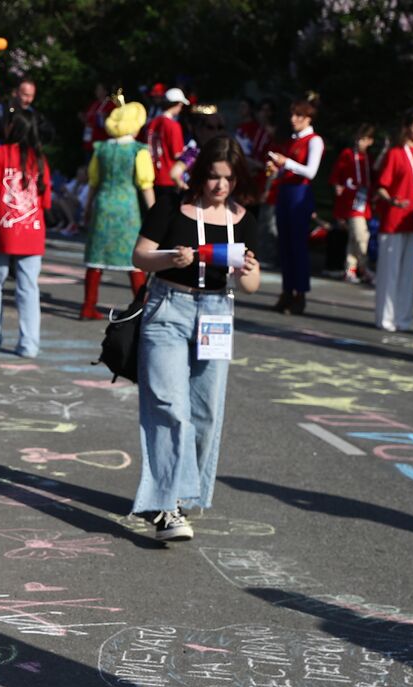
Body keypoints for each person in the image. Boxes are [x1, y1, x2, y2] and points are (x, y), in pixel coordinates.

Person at [130, 137, 261, 541]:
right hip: (168, 308)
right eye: (213, 177)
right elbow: (139, 256)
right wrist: (170, 257)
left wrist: (248, 270)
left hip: (217, 313)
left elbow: (253, 284)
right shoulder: (170, 205)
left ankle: (184, 495)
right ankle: (165, 507)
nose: (220, 186)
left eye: (227, 178)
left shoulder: (244, 218)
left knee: (205, 414)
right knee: (170, 407)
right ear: (200, 173)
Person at [0, 107, 52, 357]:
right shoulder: (39, 158)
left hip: (3, 230)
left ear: (13, 127)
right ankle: (29, 344)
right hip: (32, 231)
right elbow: (47, 200)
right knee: (28, 287)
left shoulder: (0, 154)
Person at [81, 99, 154, 320]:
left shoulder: (101, 148)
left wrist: (87, 207)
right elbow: (145, 183)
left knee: (96, 257)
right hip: (127, 207)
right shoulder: (138, 151)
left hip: (103, 203)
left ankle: (88, 306)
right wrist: (154, 212)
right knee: (134, 257)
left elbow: (93, 181)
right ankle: (141, 306)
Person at [372, 107, 413, 332]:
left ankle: (403, 317)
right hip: (395, 218)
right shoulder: (396, 153)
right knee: (389, 270)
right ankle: (385, 317)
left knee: (409, 271)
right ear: (407, 127)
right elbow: (382, 186)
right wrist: (392, 201)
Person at [266, 98, 324, 315]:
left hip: (300, 195)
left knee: (298, 246)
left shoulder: (314, 140)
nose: (293, 119)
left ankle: (300, 294)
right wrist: (277, 167)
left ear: (308, 118)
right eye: (293, 115)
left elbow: (311, 171)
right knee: (285, 245)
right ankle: (287, 291)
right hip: (286, 192)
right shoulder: (292, 139)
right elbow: (289, 169)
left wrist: (286, 163)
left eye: (298, 115)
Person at [330, 124, 376, 284]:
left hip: (363, 202)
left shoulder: (368, 159)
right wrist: (337, 186)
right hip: (351, 202)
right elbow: (337, 174)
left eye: (363, 139)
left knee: (354, 237)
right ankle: (364, 267)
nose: (359, 142)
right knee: (361, 235)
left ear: (370, 141)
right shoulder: (348, 154)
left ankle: (350, 268)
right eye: (358, 139)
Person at [147, 88, 187, 216]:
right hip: (169, 177)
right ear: (177, 104)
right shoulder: (173, 125)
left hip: (152, 174)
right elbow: (177, 154)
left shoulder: (153, 122)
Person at [81, 82, 117, 153]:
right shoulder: (94, 104)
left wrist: (104, 118)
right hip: (90, 141)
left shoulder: (110, 105)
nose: (96, 91)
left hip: (102, 143)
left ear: (106, 91)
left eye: (99, 89)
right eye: (96, 89)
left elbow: (111, 123)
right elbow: (88, 119)